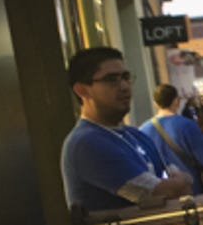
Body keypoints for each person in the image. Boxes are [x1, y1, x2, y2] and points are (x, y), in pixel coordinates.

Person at [61, 47, 191, 210]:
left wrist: (179, 183)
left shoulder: (135, 135)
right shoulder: (86, 143)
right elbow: (163, 192)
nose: (124, 86)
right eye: (111, 79)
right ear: (82, 90)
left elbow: (181, 184)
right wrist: (178, 182)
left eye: (126, 77)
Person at [140, 84, 203, 196]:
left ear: (155, 103)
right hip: (190, 189)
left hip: (160, 194)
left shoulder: (142, 130)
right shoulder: (188, 125)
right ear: (176, 101)